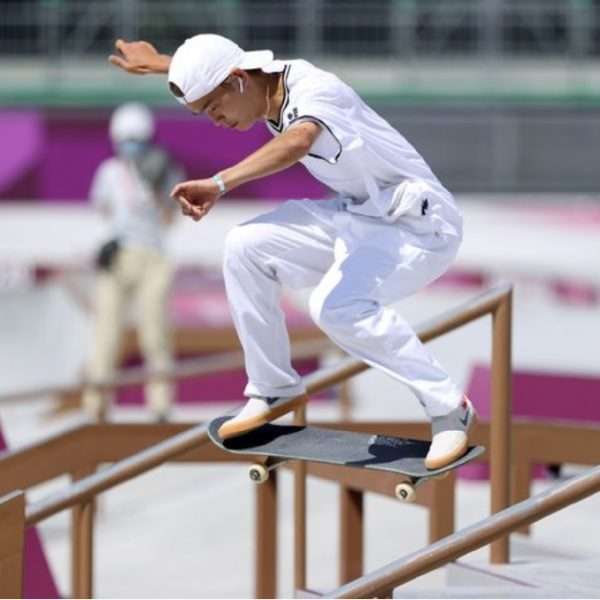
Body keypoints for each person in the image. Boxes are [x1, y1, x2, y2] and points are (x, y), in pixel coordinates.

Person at [109, 35, 475, 468]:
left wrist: (220, 183)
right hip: (358, 217)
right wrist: (159, 65)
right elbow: (217, 66)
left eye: (214, 108)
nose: (216, 120)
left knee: (335, 306)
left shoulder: (316, 90)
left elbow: (297, 142)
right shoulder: (257, 79)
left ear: (238, 81)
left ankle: (448, 408)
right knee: (244, 247)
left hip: (419, 225)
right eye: (204, 113)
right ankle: (273, 387)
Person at [83, 102, 183, 422]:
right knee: (106, 334)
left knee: (154, 334)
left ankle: (160, 406)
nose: (130, 144)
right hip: (117, 259)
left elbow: (170, 220)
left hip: (153, 257)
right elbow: (101, 213)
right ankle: (96, 407)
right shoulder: (109, 172)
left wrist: (155, 190)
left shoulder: (166, 168)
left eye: (136, 138)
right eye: (125, 138)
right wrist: (104, 242)